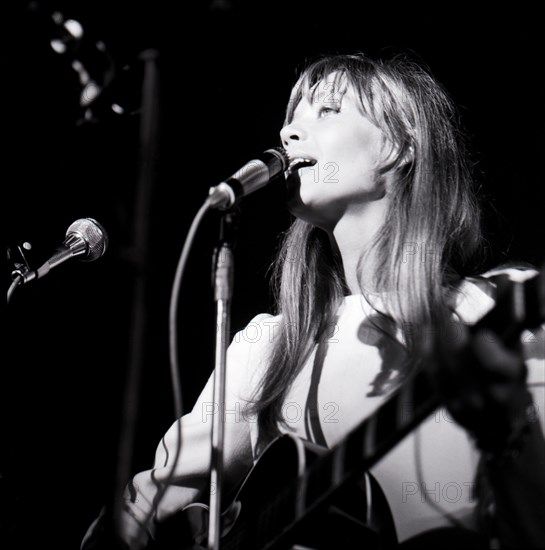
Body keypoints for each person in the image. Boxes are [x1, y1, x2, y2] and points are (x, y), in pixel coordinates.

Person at [81, 52, 545, 549]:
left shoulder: (498, 307)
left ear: (401, 145)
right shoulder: (267, 349)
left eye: (327, 110)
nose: (288, 133)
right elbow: (131, 519)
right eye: (291, 119)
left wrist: (509, 429)